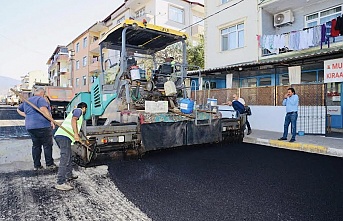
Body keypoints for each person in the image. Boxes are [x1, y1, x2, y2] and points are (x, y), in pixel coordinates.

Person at [17, 87, 57, 170]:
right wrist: (52, 121)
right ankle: (49, 164)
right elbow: (44, 111)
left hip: (30, 127)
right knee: (47, 145)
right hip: (42, 126)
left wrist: (26, 116)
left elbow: (18, 109)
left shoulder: (28, 100)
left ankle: (37, 165)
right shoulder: (40, 99)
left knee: (36, 145)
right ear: (43, 93)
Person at [54, 102, 88, 191]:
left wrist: (80, 137)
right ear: (84, 108)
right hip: (63, 136)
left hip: (64, 137)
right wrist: (76, 134)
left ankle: (69, 175)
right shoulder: (78, 110)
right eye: (86, 109)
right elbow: (74, 120)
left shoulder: (77, 112)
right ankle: (60, 182)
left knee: (69, 156)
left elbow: (75, 125)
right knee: (65, 158)